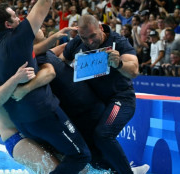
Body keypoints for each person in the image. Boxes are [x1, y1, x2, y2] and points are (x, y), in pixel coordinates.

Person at [0, 2, 91, 173]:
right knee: (81, 156)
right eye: (14, 16)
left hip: (22, 122)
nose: (19, 18)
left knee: (65, 161)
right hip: (44, 114)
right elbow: (43, 5)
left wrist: (54, 37)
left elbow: (31, 49)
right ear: (7, 24)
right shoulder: (18, 37)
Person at [60, 14, 149, 174]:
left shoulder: (118, 41)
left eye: (93, 36)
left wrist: (119, 63)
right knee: (88, 144)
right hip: (94, 104)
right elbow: (61, 62)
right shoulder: (77, 43)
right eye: (84, 38)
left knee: (103, 135)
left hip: (120, 99)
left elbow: (134, 70)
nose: (90, 42)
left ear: (101, 27)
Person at [0, 33, 60, 174]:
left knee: (78, 166)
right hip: (15, 136)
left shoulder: (3, 60)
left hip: (36, 127)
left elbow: (40, 51)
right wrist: (16, 79)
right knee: (54, 170)